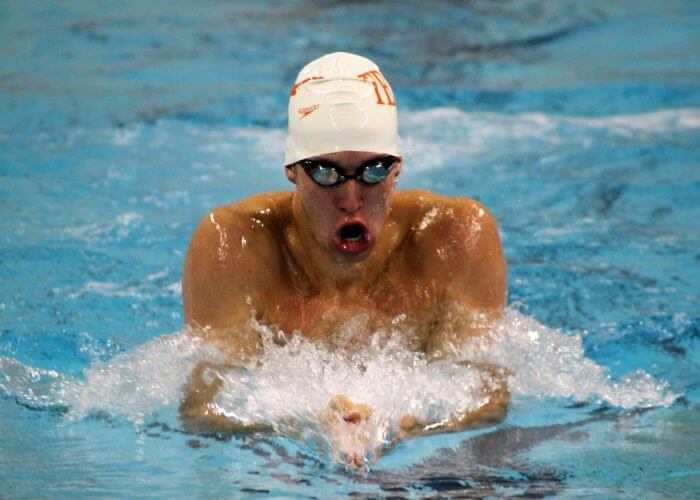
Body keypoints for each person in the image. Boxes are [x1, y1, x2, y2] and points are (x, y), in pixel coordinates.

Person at [179, 52, 508, 467]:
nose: (351, 199)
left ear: (398, 168)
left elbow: (486, 398)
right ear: (291, 170)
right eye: (325, 172)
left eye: (373, 171)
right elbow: (203, 411)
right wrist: (306, 424)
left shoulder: (455, 238)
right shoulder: (233, 244)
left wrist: (402, 424)